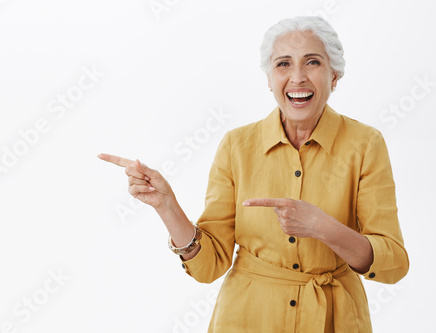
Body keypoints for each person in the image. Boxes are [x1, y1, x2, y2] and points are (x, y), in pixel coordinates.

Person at [98, 16, 409, 332]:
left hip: (335, 319)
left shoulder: (366, 144)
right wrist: (167, 206)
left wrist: (322, 227)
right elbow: (209, 266)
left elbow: (393, 263)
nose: (297, 77)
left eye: (312, 62)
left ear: (334, 76)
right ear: (269, 79)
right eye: (283, 64)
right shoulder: (236, 145)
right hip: (247, 318)